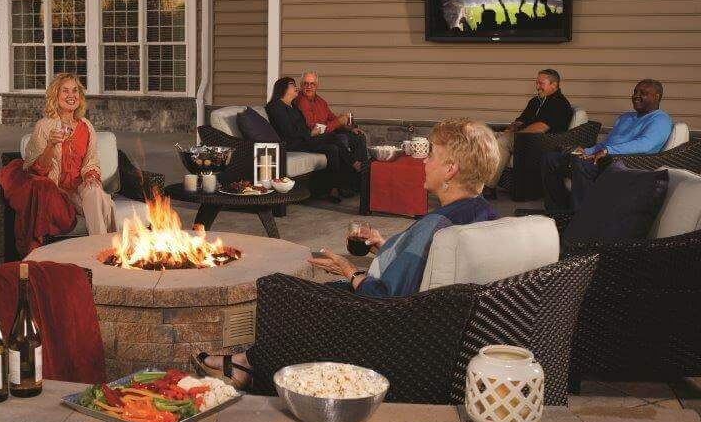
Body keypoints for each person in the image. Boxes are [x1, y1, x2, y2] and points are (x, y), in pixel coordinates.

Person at [194, 118, 499, 389]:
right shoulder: (481, 212)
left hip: (384, 328)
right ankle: (249, 357)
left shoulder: (436, 223)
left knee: (284, 292)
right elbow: (429, 264)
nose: (424, 161)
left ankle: (248, 368)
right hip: (433, 330)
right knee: (315, 294)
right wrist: (383, 247)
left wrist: (348, 270)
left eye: (431, 154)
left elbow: (385, 298)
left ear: (451, 169)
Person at [541, 79, 673, 210]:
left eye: (643, 93)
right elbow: (607, 143)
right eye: (635, 92)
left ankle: (580, 216)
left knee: (580, 164)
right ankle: (558, 211)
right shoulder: (625, 117)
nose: (636, 96)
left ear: (657, 97)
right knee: (550, 159)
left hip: (625, 166)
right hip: (602, 159)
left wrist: (607, 151)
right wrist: (586, 151)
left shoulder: (660, 119)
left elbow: (645, 145)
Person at [23, 73, 115, 236]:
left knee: (95, 192)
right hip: (59, 191)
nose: (71, 95)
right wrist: (51, 144)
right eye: (65, 91)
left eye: (75, 91)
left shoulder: (86, 126)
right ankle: (105, 250)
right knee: (105, 205)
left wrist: (91, 178)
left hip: (81, 188)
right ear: (55, 95)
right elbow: (38, 170)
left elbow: (91, 161)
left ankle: (99, 248)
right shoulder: (44, 126)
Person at [265, 76, 356, 202]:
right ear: (283, 89)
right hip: (291, 144)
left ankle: (329, 189)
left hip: (303, 140)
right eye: (292, 85)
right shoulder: (276, 106)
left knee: (332, 148)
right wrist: (310, 134)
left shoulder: (293, 106)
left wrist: (311, 133)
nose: (296, 87)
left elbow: (303, 126)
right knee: (332, 138)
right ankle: (354, 164)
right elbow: (288, 131)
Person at [485, 68, 573, 197]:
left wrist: (515, 134)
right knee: (487, 138)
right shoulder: (536, 102)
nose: (537, 86)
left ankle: (488, 187)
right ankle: (474, 182)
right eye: (536, 83)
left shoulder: (558, 104)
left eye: (541, 83)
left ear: (554, 85)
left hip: (541, 143)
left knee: (503, 142)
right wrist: (512, 127)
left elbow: (540, 127)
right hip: (524, 138)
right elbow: (521, 120)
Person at [294, 71, 368, 173]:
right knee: (341, 139)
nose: (309, 86)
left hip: (328, 134)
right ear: (301, 85)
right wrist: (338, 122)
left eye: (312, 84)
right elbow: (315, 128)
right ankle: (347, 178)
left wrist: (349, 129)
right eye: (306, 83)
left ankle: (363, 175)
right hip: (314, 137)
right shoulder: (301, 101)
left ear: (317, 86)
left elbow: (332, 118)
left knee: (358, 136)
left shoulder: (320, 101)